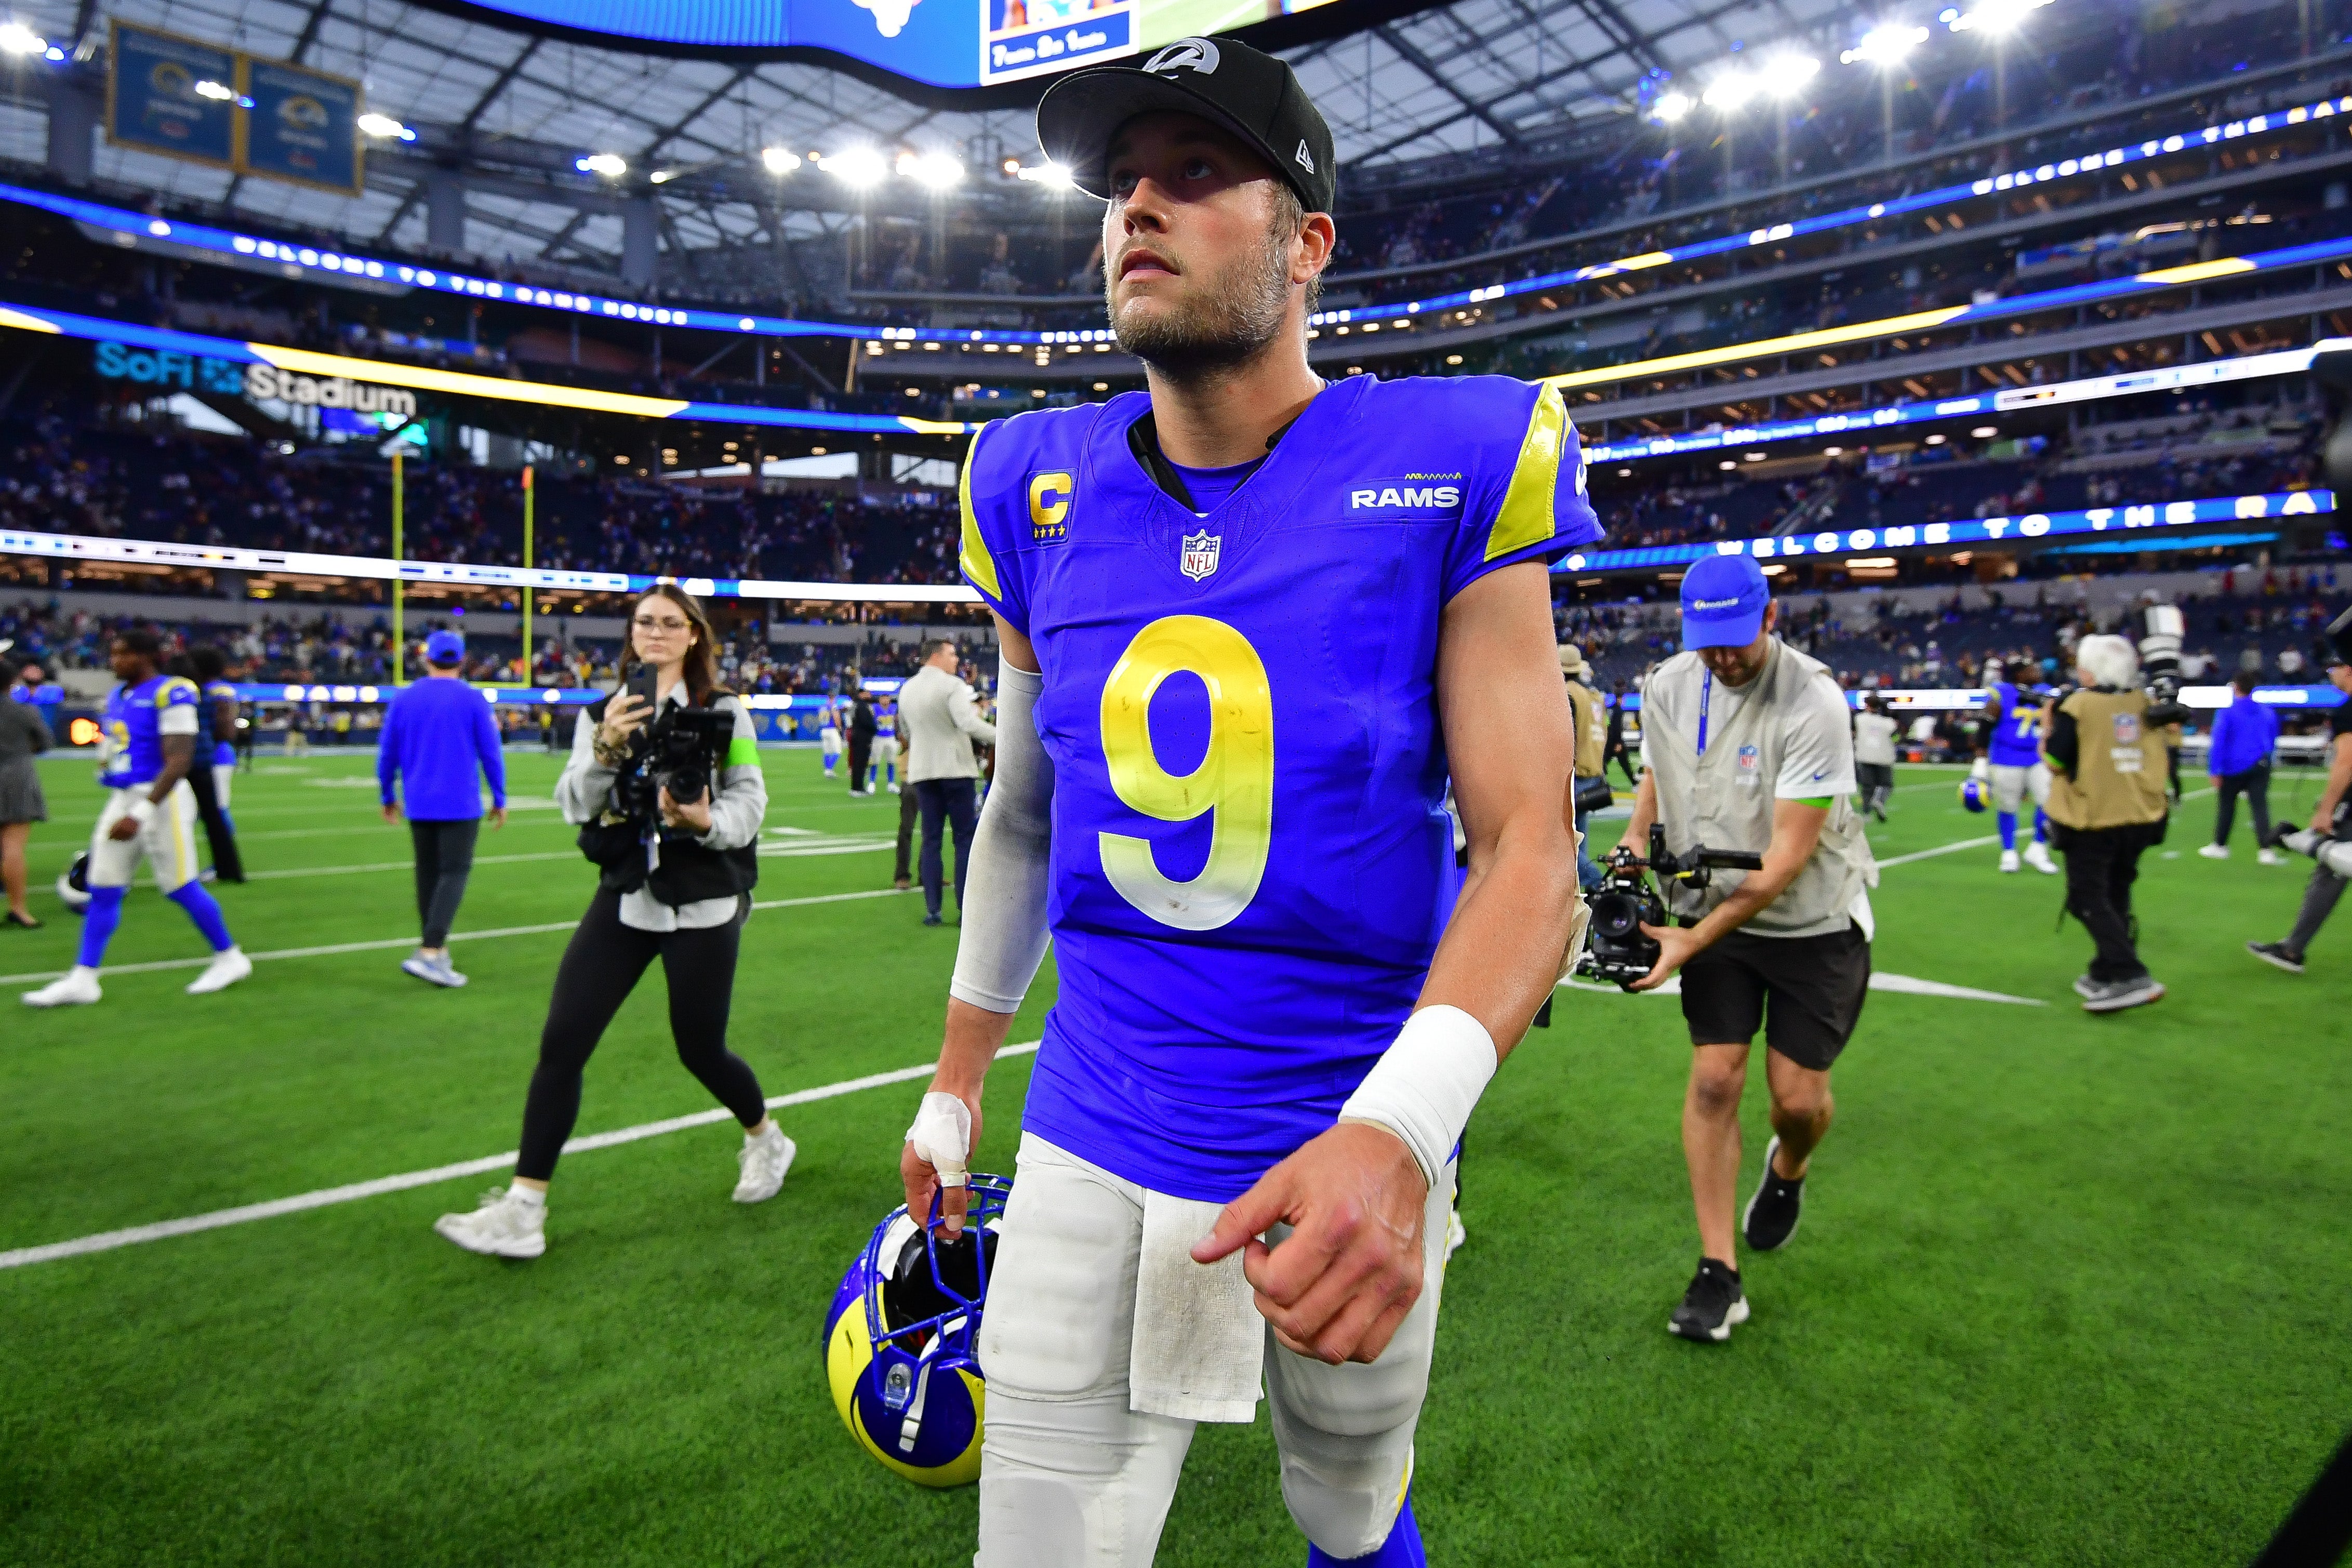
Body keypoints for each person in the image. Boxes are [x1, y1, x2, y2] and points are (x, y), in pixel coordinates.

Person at [897, 40, 1597, 1565]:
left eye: (1199, 174)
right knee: (1042, 1540)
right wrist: (959, 1080)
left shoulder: (1457, 459)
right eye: (1123, 182)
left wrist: (1403, 1136)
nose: (1140, 206)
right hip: (1092, 1112)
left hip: (1346, 1117)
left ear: (1308, 239)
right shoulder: (1030, 481)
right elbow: (1023, 812)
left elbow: (1535, 854)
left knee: (1345, 1504)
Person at [433, 586, 792, 1259]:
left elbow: (751, 801)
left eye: (669, 623)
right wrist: (603, 747)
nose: (655, 632)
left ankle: (766, 1137)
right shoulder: (601, 711)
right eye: (643, 622)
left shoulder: (725, 712)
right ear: (631, 634)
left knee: (699, 1048)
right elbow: (573, 803)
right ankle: (523, 1207)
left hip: (704, 898)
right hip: (630, 891)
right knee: (562, 1041)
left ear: (693, 635)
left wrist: (707, 821)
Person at [1617, 555, 1877, 1345]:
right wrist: (1634, 840)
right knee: (1712, 1079)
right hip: (1711, 913)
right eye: (1708, 643)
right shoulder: (1664, 683)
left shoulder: (1813, 700)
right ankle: (1716, 1270)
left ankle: (1788, 1167)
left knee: (1796, 1100)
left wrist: (1687, 940)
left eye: (1736, 639)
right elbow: (1660, 774)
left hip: (1809, 921)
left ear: (1770, 618)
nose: (1722, 658)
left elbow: (1785, 858)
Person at [21, 631, 251, 1007]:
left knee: (179, 886)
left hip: (162, 798)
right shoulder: (118, 696)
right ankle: (84, 977)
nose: (114, 661)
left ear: (146, 657)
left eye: (122, 654)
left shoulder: (171, 691)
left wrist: (142, 811)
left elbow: (180, 758)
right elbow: (122, 741)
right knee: (104, 886)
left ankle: (229, 957)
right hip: (125, 794)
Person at [2042, 634, 2172, 1013]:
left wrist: (2048, 726)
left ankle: (2129, 972)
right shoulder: (2141, 701)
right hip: (2138, 813)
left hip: (2093, 817)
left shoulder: (2079, 705)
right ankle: (2103, 970)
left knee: (2085, 896)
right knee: (2115, 891)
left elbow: (2055, 762)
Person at [379, 630, 509, 988]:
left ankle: (433, 948)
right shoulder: (473, 699)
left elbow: (387, 752)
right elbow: (491, 753)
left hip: (419, 801)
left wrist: (387, 794)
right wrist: (499, 797)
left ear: (427, 658)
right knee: (454, 873)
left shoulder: (404, 699)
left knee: (428, 874)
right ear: (462, 660)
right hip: (460, 803)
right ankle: (431, 951)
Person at [2247, 642, 2352, 973]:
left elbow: (2347, 763)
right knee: (2330, 869)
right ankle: (2293, 948)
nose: (2331, 673)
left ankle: (2293, 949)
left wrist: (2326, 807)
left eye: (2335, 667)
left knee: (2333, 864)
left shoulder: (2348, 710)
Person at [899, 638, 996, 927]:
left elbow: (905, 731)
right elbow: (968, 724)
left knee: (931, 839)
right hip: (955, 769)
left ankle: (933, 910)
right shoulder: (952, 686)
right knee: (964, 840)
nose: (956, 660)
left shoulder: (907, 689)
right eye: (952, 654)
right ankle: (965, 908)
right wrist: (1005, 736)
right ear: (936, 656)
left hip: (923, 771)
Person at [1973, 659, 2058, 875]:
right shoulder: (2000, 692)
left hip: (2037, 756)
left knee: (2049, 803)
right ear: (2019, 675)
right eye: (2031, 669)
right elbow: (1985, 725)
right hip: (2007, 757)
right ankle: (2009, 852)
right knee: (2008, 806)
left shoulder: (2044, 691)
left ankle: (2038, 849)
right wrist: (1981, 759)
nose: (2037, 671)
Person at [167, 652, 243, 884]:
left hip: (215, 755)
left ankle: (220, 865)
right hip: (212, 754)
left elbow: (224, 729)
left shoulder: (216, 691)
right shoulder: (206, 689)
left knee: (217, 809)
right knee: (206, 812)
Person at [2203, 671, 2284, 863]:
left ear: (2236, 687)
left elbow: (2219, 742)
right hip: (2260, 764)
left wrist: (2214, 769)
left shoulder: (2227, 711)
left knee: (2227, 806)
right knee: (2260, 807)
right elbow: (2273, 736)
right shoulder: (2266, 710)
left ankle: (2220, 846)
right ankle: (2266, 851)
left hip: (2233, 766)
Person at [1, 662, 51, 928]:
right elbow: (45, 742)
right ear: (11, 683)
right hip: (17, 780)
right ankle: (19, 909)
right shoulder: (25, 711)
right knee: (13, 848)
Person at [1560, 642, 1607, 891]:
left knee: (1571, 848)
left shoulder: (1567, 693)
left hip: (1576, 776)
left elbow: (1567, 739)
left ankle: (1602, 887)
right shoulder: (1595, 695)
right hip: (1593, 772)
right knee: (1579, 843)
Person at [1852, 693, 1897, 822]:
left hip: (1864, 756)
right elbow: (1896, 737)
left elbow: (1853, 733)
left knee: (1867, 787)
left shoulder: (1859, 719)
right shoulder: (1889, 723)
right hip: (1884, 758)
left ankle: (1866, 813)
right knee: (1886, 785)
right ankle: (1879, 800)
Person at [847, 688, 878, 796]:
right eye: (867, 693)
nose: (869, 695)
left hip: (857, 736)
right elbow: (866, 722)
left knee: (858, 763)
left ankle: (857, 787)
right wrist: (875, 729)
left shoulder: (856, 705)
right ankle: (858, 788)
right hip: (862, 737)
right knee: (860, 764)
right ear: (862, 694)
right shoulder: (862, 706)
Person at [819, 690, 845, 779]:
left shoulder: (822, 707)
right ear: (834, 698)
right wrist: (840, 728)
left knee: (827, 752)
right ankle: (829, 770)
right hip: (832, 730)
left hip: (824, 730)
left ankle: (829, 770)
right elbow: (836, 717)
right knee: (838, 751)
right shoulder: (833, 706)